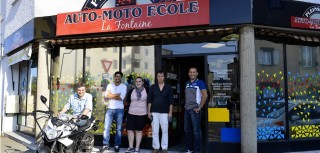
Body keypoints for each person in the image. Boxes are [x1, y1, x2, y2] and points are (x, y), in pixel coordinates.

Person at [148, 70, 174, 153]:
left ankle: (164, 148)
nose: (160, 77)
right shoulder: (152, 87)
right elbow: (149, 100)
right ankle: (155, 147)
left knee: (165, 130)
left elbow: (171, 101)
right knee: (155, 130)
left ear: (164, 77)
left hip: (165, 112)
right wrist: (149, 112)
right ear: (156, 77)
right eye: (158, 76)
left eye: (161, 76)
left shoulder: (168, 87)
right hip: (154, 112)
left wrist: (170, 112)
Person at [184, 67, 208, 153]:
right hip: (187, 109)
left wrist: (200, 107)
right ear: (188, 73)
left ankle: (197, 150)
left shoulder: (200, 82)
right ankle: (189, 149)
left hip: (195, 110)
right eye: (190, 72)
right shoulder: (187, 83)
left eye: (194, 72)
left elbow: (205, 95)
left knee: (196, 131)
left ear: (197, 73)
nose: (192, 73)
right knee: (187, 130)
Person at [102, 71, 127, 153]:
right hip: (110, 109)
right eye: (116, 76)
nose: (118, 78)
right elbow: (107, 96)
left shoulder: (124, 86)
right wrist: (117, 95)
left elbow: (121, 98)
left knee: (118, 129)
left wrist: (111, 95)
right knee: (106, 128)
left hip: (119, 109)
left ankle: (117, 145)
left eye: (119, 76)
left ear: (121, 78)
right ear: (114, 77)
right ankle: (105, 144)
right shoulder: (109, 85)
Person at [125, 77, 148, 153]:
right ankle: (131, 147)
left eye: (140, 81)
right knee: (130, 130)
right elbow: (128, 100)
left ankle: (137, 148)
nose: (138, 83)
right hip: (131, 113)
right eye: (137, 81)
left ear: (142, 82)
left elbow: (149, 101)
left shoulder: (146, 90)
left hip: (142, 114)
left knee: (139, 130)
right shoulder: (132, 90)